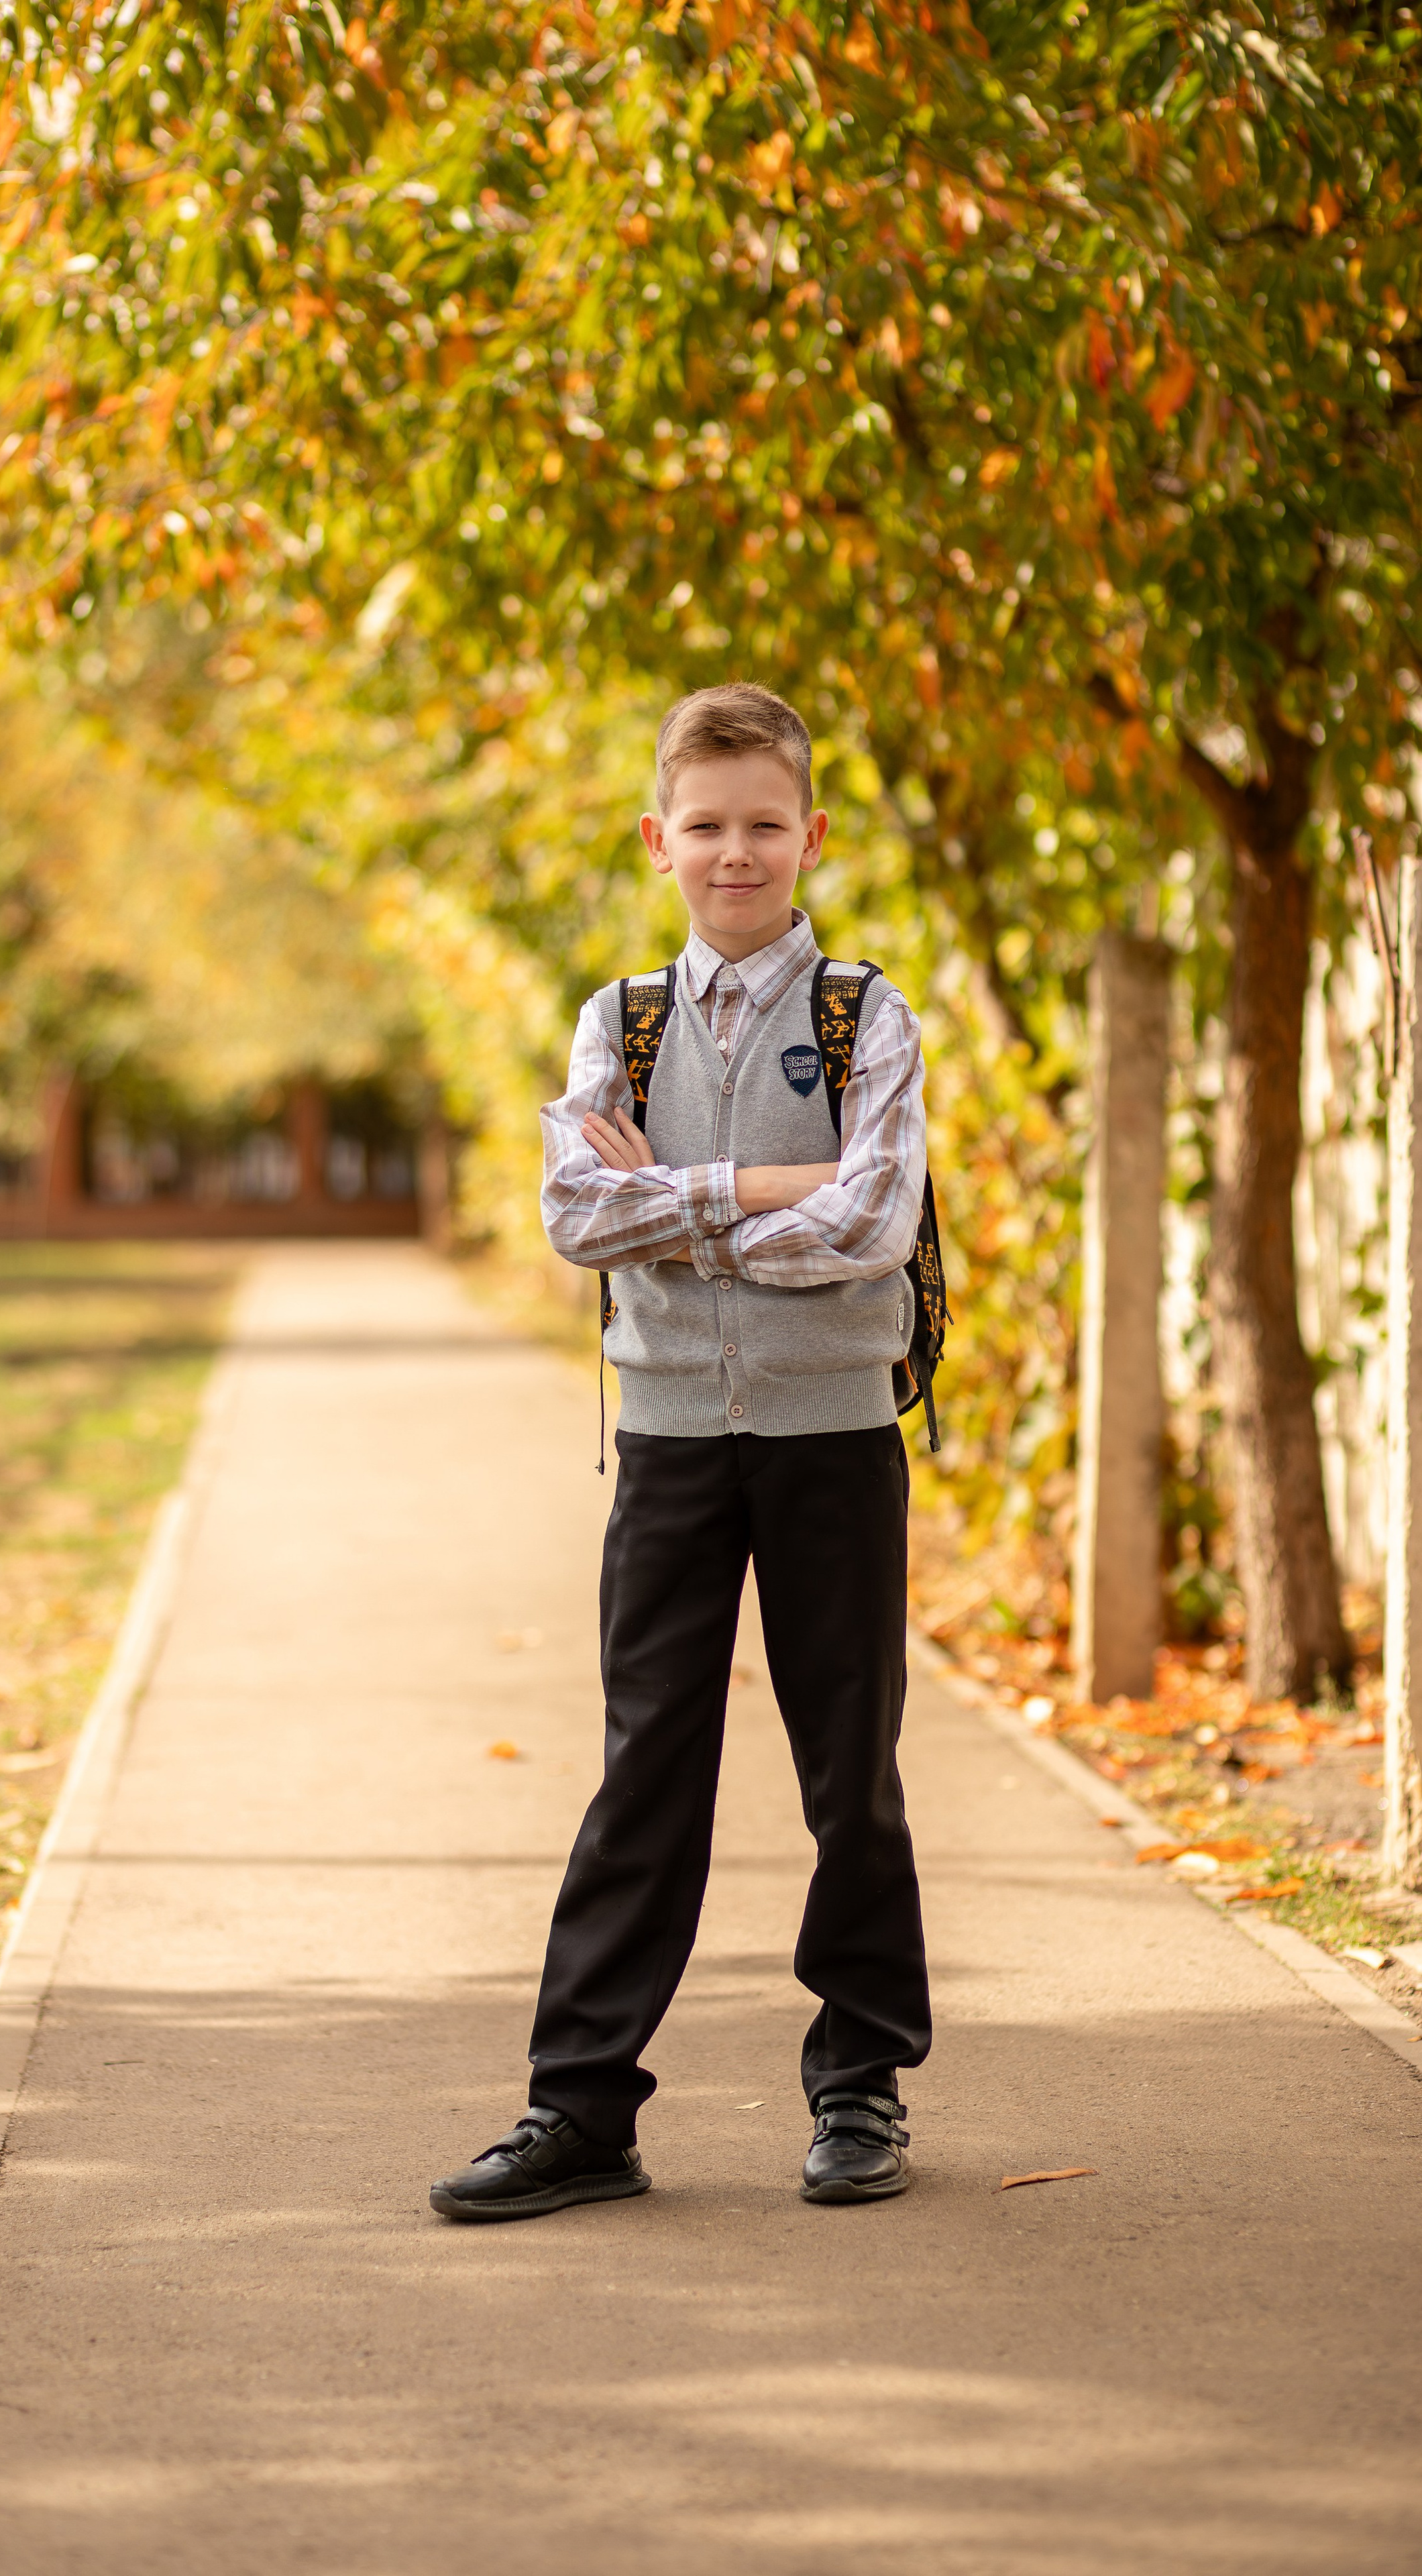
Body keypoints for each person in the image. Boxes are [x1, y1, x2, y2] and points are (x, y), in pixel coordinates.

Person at [430, 682, 931, 2222]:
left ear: (810, 837)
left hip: (833, 1439)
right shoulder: (617, 1022)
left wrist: (687, 1202)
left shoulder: (864, 1016)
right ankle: (581, 2112)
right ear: (659, 838)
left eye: (762, 826)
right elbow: (579, 1216)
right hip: (663, 1441)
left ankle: (858, 2086)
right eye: (704, 826)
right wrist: (765, 1189)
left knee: (846, 1769)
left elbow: (871, 1225)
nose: (735, 853)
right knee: (647, 1764)